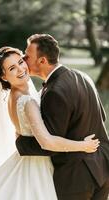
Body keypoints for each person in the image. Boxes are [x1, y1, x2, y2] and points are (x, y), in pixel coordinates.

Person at [0, 47, 99, 200]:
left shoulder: (13, 95)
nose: (21, 69)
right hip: (37, 167)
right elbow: (47, 142)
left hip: (26, 158)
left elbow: (18, 133)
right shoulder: (27, 102)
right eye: (12, 68)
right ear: (4, 76)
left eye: (21, 62)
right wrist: (83, 146)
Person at [16, 34, 109, 200]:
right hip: (102, 168)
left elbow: (50, 144)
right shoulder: (83, 76)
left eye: (27, 56)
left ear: (42, 61)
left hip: (76, 178)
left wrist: (20, 142)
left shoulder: (55, 91)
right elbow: (101, 115)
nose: (23, 59)